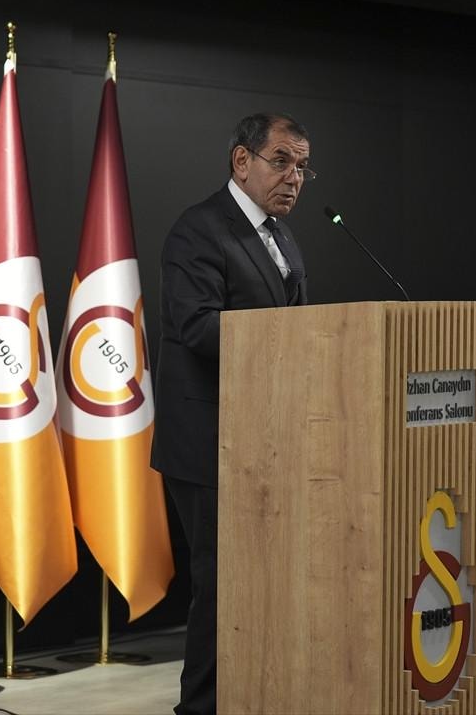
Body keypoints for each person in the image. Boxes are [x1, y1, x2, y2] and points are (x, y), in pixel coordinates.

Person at [152, 113, 313, 715]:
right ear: (242, 161)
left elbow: (300, 323)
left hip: (266, 438)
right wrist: (288, 339)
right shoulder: (199, 230)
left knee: (262, 582)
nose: (294, 178)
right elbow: (195, 326)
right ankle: (199, 707)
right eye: (282, 161)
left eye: (303, 167)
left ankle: (255, 696)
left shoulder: (282, 237)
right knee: (221, 584)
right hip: (208, 442)